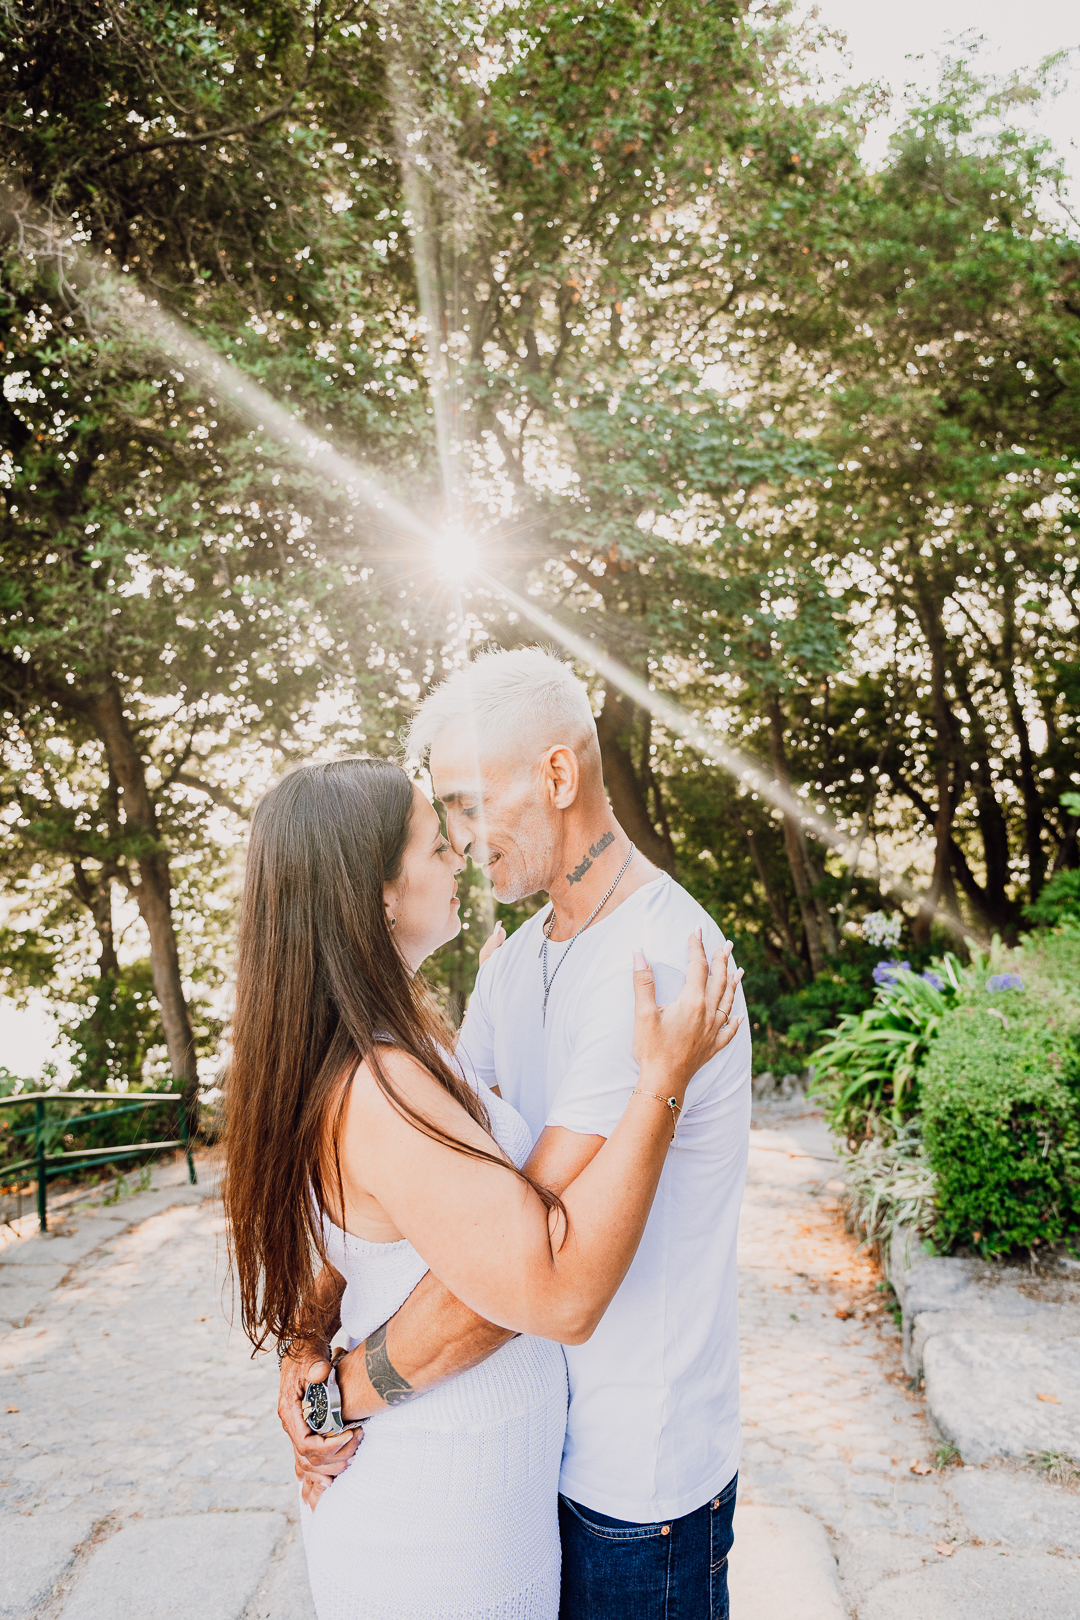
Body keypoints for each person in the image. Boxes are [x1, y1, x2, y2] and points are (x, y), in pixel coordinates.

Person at [280, 648, 753, 1620]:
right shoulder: (515, 962)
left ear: (558, 775)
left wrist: (340, 1391)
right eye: (440, 818)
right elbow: (434, 1205)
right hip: (530, 1471)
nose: (457, 840)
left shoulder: (656, 961)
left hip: (633, 1486)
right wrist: (304, 1336)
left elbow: (523, 1272)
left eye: (465, 802)